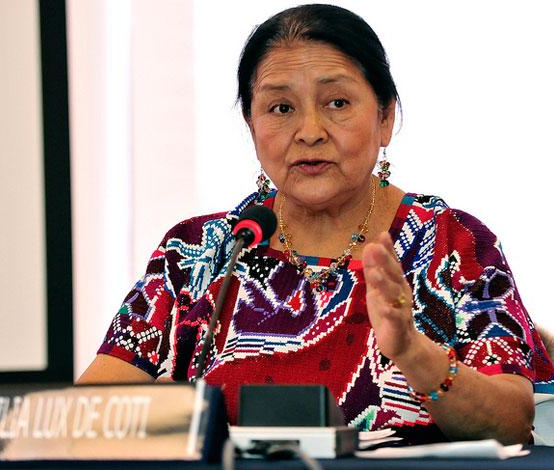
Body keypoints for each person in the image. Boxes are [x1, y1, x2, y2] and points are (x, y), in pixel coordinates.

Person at [78, 4, 554, 444]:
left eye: (337, 103)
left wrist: (414, 352)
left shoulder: (455, 245)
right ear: (251, 125)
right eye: (281, 108)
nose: (309, 132)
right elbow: (84, 418)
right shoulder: (197, 252)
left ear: (386, 117)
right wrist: (161, 419)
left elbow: (511, 425)